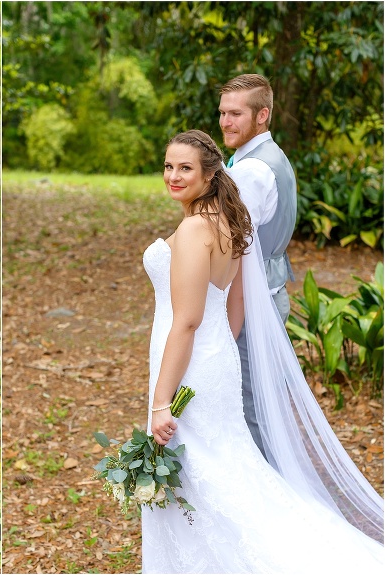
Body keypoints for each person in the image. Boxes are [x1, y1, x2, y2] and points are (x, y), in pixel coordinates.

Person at [141, 130, 383, 573]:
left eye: (185, 168)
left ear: (211, 174)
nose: (173, 176)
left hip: (188, 365)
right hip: (213, 360)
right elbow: (234, 306)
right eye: (168, 166)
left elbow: (187, 320)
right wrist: (218, 350)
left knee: (200, 473)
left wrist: (161, 401)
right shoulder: (227, 222)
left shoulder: (196, 227)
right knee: (222, 469)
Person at [219, 73, 297, 457]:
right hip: (269, 292)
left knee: (253, 414)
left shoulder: (252, 171)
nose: (225, 122)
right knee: (257, 410)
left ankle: (270, 508)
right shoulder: (267, 157)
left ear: (262, 115)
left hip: (250, 305)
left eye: (236, 114)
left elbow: (230, 249)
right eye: (222, 113)